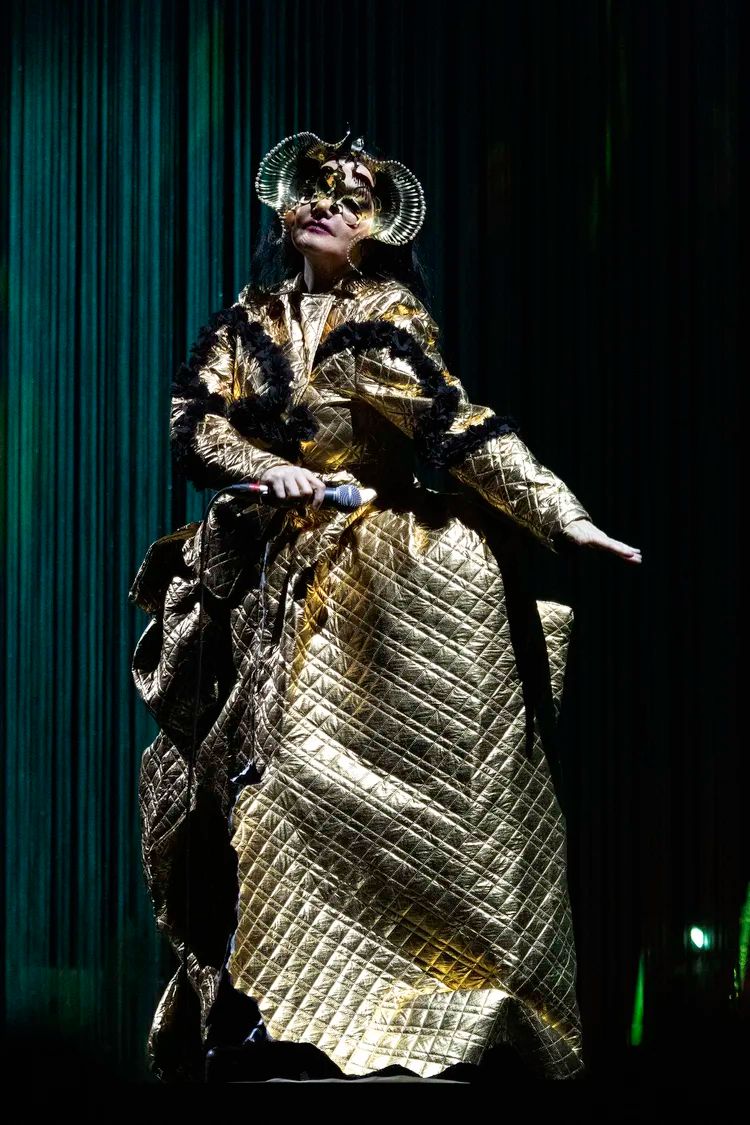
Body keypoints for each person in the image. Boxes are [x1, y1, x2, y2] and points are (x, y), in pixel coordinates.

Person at [130, 129, 641, 1083]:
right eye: (316, 187)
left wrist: (561, 515)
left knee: (401, 784)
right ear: (286, 205)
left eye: (352, 195)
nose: (330, 202)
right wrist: (269, 468)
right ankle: (274, 1009)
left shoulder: (386, 314)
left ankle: (436, 1009)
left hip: (381, 570)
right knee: (263, 787)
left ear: (375, 225)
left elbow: (456, 424)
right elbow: (194, 425)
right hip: (273, 565)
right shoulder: (248, 319)